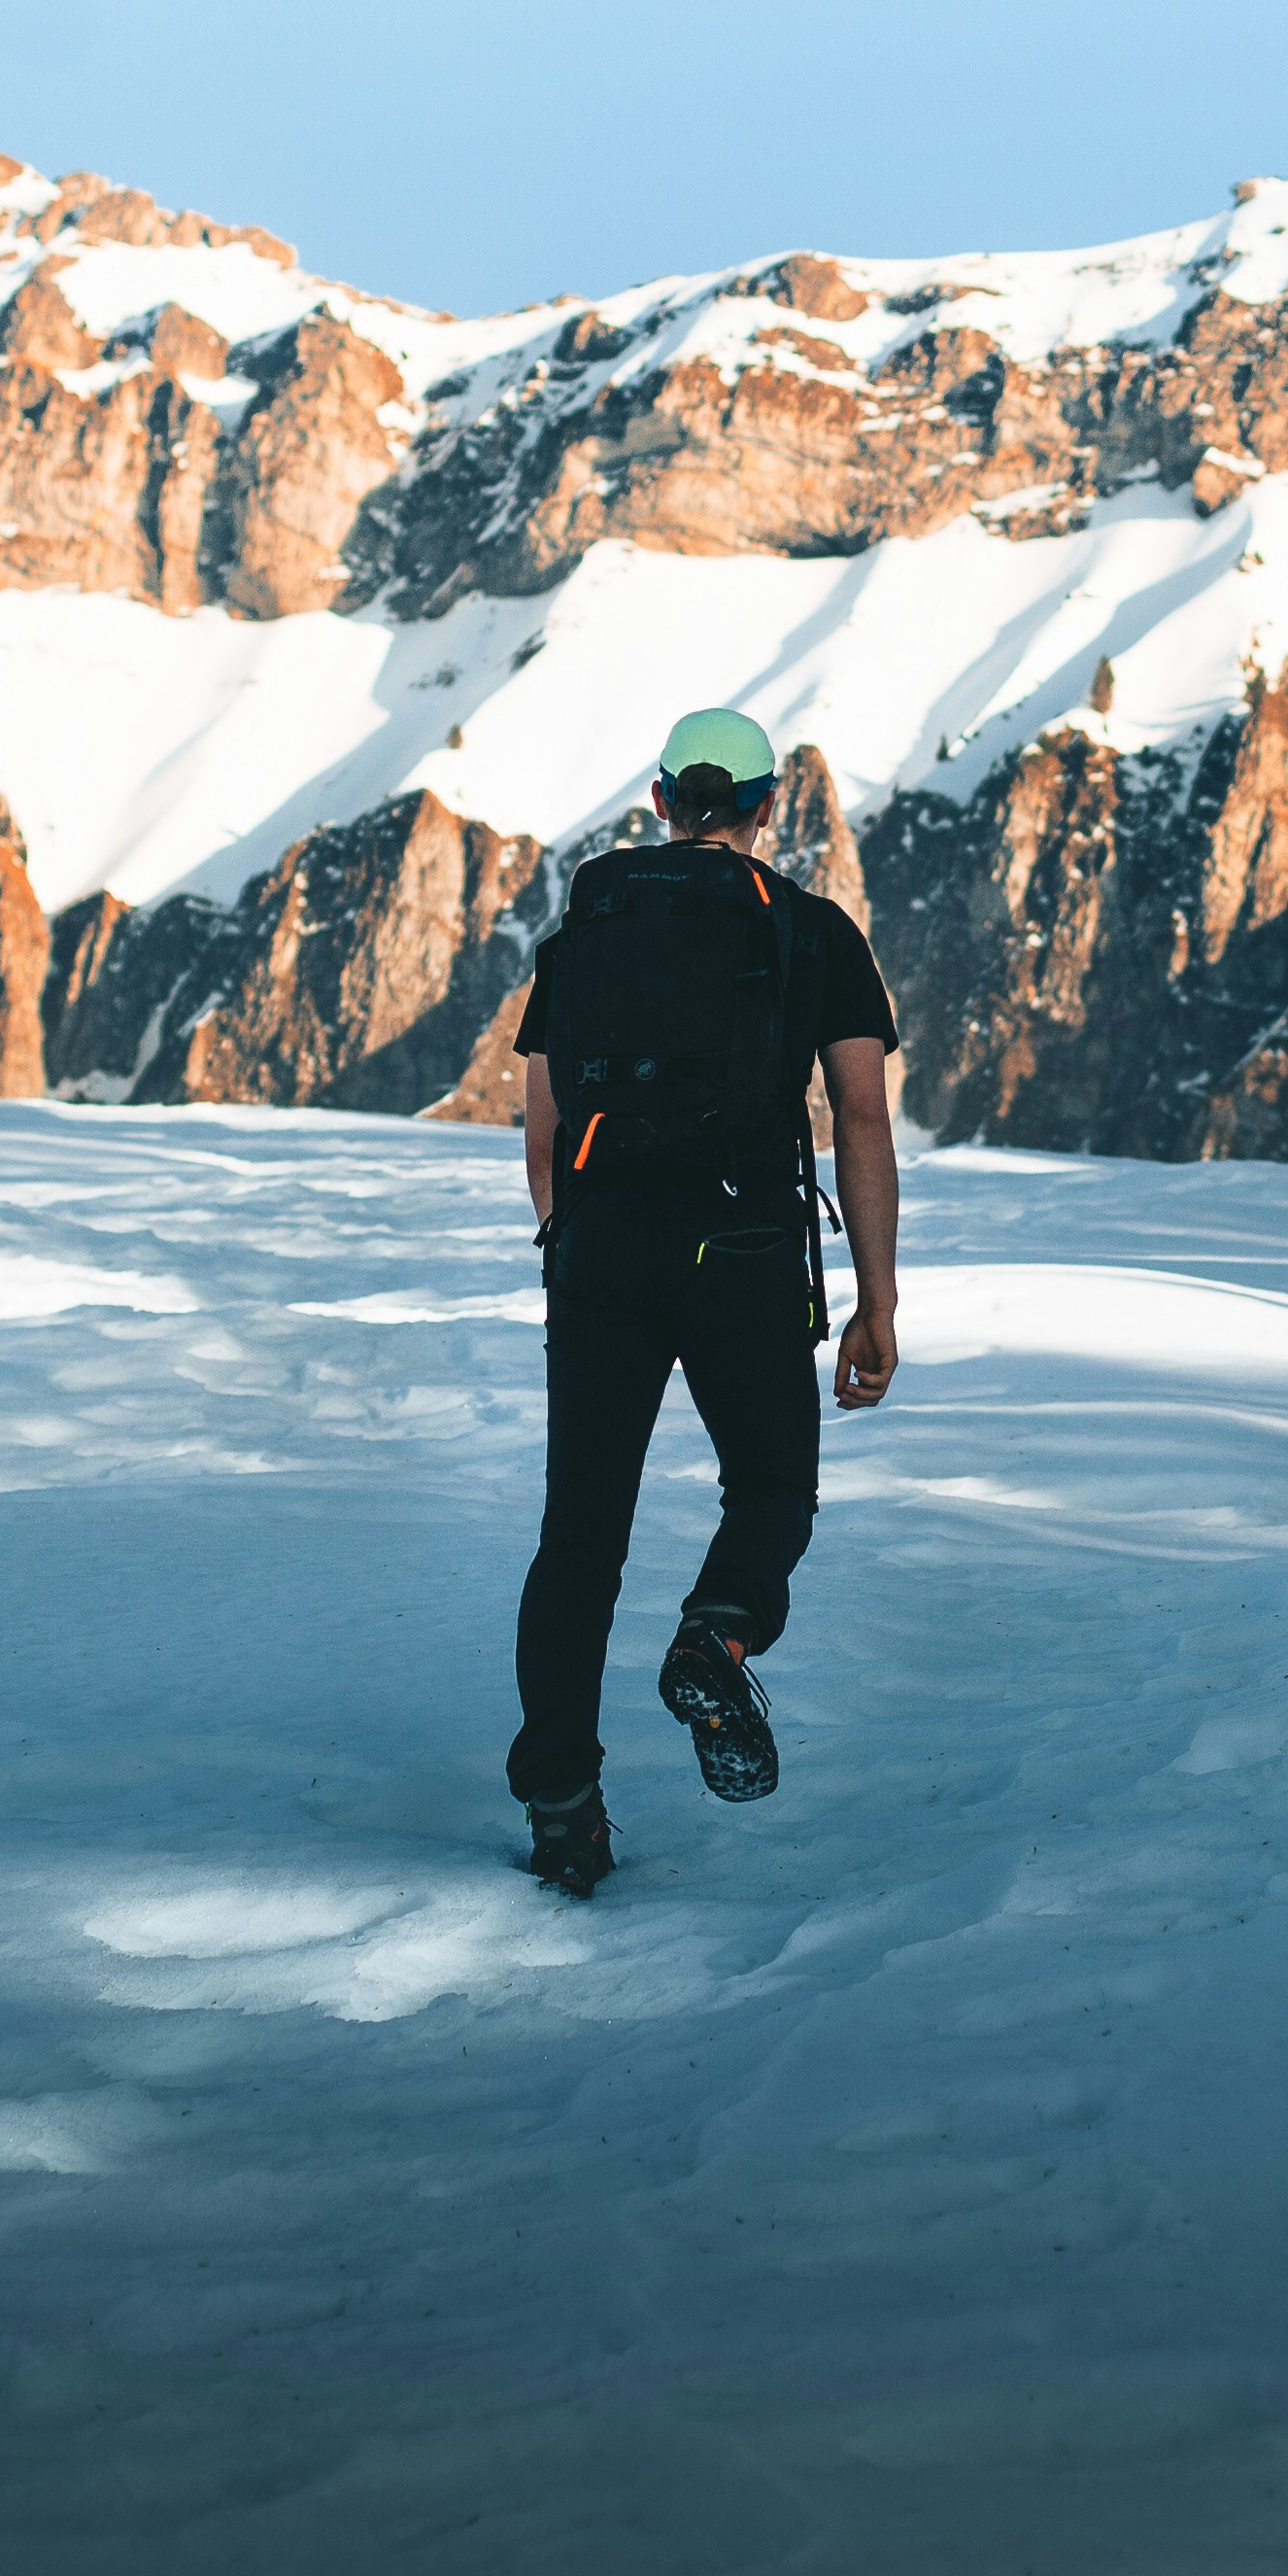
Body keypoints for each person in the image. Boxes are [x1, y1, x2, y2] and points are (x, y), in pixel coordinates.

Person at [505, 706, 901, 1896]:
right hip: (742, 1245)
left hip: (603, 1251)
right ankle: (717, 1632)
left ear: (666, 799)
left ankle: (563, 1808)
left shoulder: (588, 931)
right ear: (769, 805)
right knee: (774, 1484)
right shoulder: (815, 931)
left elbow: (544, 1125)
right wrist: (877, 1301)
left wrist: (569, 1244)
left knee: (581, 1535)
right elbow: (862, 1121)